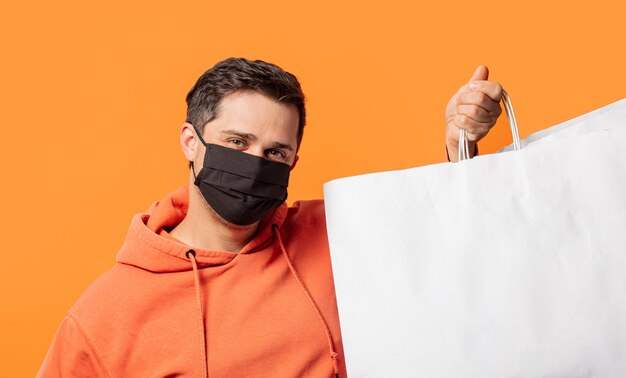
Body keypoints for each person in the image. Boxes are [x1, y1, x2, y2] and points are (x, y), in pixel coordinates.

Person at [37, 57, 503, 377]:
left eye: (276, 151)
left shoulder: (337, 234)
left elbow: (444, 225)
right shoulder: (106, 315)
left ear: (295, 160)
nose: (255, 163)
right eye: (237, 142)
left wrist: (461, 142)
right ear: (190, 141)